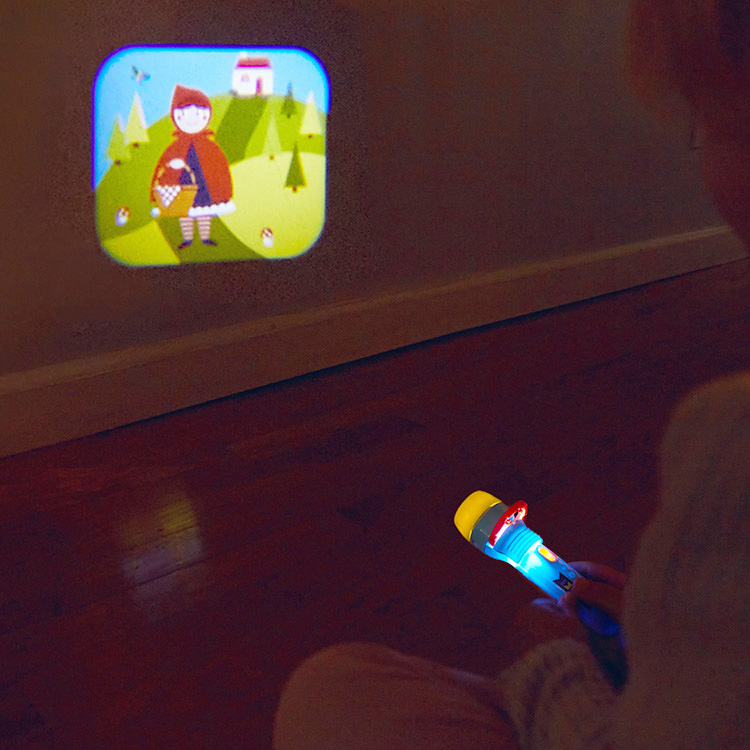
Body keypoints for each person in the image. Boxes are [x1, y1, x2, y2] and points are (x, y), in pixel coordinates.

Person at [273, 2, 749, 747]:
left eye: (709, 121)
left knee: (331, 692)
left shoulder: (727, 442)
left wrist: (550, 655)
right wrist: (679, 621)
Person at [150, 85, 235, 249]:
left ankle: (205, 237)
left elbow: (220, 168)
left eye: (198, 114)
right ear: (176, 117)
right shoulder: (174, 148)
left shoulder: (210, 146)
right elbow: (163, 168)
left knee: (204, 211)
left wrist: (223, 190)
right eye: (183, 114)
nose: (192, 119)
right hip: (181, 183)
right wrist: (172, 166)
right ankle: (187, 238)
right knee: (183, 211)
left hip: (204, 185)